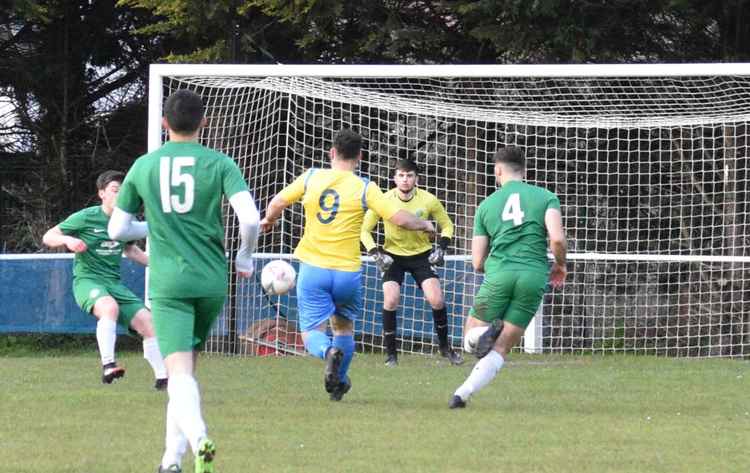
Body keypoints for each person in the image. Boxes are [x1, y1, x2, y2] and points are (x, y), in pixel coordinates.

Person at [108, 89, 260, 473]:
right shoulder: (220, 162)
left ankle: (199, 440)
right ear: (203, 123)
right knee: (185, 371)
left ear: (164, 124)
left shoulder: (144, 166)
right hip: (211, 280)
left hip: (169, 282)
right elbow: (252, 220)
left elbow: (117, 228)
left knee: (177, 372)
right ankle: (170, 461)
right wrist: (244, 256)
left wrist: (152, 224)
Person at [260, 128, 435, 402]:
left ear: (332, 153)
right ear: (360, 157)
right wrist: (425, 224)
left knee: (311, 333)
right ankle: (338, 383)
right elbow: (400, 218)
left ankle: (327, 353)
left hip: (314, 270)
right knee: (343, 329)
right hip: (347, 273)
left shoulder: (311, 177)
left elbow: (278, 201)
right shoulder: (365, 187)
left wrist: (269, 220)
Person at [449, 147, 567, 409]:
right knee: (501, 348)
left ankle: (482, 333)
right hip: (534, 277)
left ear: (497, 170)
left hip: (499, 274)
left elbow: (477, 261)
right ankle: (461, 394)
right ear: (524, 171)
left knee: (470, 336)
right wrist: (560, 265)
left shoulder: (486, 205)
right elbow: (557, 239)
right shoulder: (546, 197)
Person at [42, 170, 167, 389]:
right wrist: (68, 240)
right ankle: (108, 365)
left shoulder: (125, 222)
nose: (120, 195)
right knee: (109, 307)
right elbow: (48, 236)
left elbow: (131, 251)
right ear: (102, 194)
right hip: (88, 281)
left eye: (123, 191)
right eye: (115, 190)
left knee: (149, 324)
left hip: (113, 283)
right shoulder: (86, 216)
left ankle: (163, 380)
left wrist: (160, 267)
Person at [361, 159, 463, 367]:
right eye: (401, 175)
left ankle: (445, 348)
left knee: (436, 300)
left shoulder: (429, 199)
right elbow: (364, 230)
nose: (405, 180)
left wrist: (442, 248)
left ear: (416, 178)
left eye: (409, 175)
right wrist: (375, 252)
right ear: (394, 178)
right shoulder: (384, 199)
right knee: (390, 300)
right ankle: (391, 356)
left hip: (421, 255)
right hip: (393, 256)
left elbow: (447, 225)